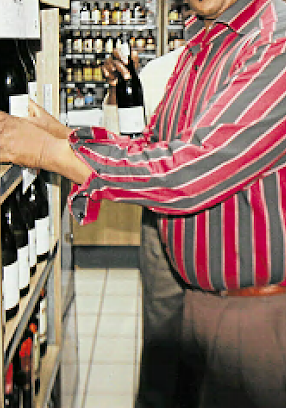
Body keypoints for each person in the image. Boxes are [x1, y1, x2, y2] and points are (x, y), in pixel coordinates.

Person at [0, 0, 286, 408]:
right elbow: (157, 147)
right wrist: (63, 136)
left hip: (265, 312)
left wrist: (44, 154)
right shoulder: (206, 45)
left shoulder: (284, 45)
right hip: (204, 302)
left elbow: (190, 172)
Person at [100, 45, 188, 408]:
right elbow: (120, 138)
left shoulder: (259, 58)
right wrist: (116, 89)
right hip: (165, 223)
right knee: (164, 342)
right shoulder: (163, 69)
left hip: (231, 233)